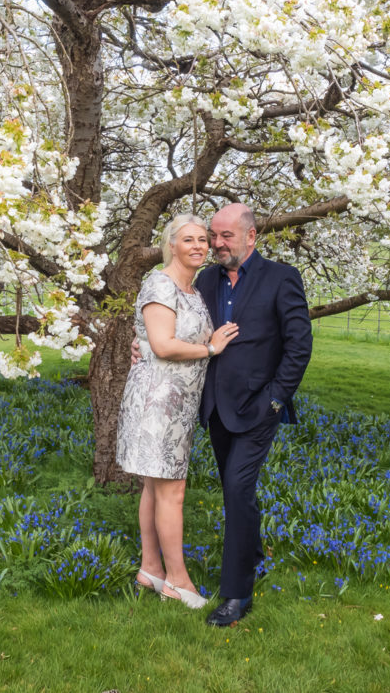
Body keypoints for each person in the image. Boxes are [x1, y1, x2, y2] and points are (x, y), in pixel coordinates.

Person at [196, 203, 313, 627]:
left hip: (259, 408)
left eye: (226, 235)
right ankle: (255, 554)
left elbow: (299, 345)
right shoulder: (206, 279)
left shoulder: (281, 277)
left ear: (251, 237)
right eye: (214, 235)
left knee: (237, 489)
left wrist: (276, 401)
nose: (217, 243)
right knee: (236, 491)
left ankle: (236, 594)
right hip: (215, 407)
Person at [116, 214, 239, 609]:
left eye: (203, 239)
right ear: (171, 244)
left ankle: (150, 569)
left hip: (179, 402)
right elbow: (164, 345)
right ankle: (178, 581)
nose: (199, 246)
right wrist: (211, 349)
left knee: (156, 487)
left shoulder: (192, 288)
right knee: (172, 490)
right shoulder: (159, 283)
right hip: (158, 401)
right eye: (189, 239)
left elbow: (154, 339)